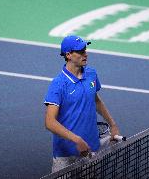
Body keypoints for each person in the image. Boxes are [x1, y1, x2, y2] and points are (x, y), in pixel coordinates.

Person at [44, 35, 120, 173]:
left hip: (90, 150)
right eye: (80, 51)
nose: (86, 53)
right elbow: (50, 122)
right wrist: (76, 140)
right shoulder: (58, 84)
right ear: (68, 55)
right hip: (65, 155)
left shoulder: (91, 74)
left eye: (85, 49)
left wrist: (112, 124)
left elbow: (96, 100)